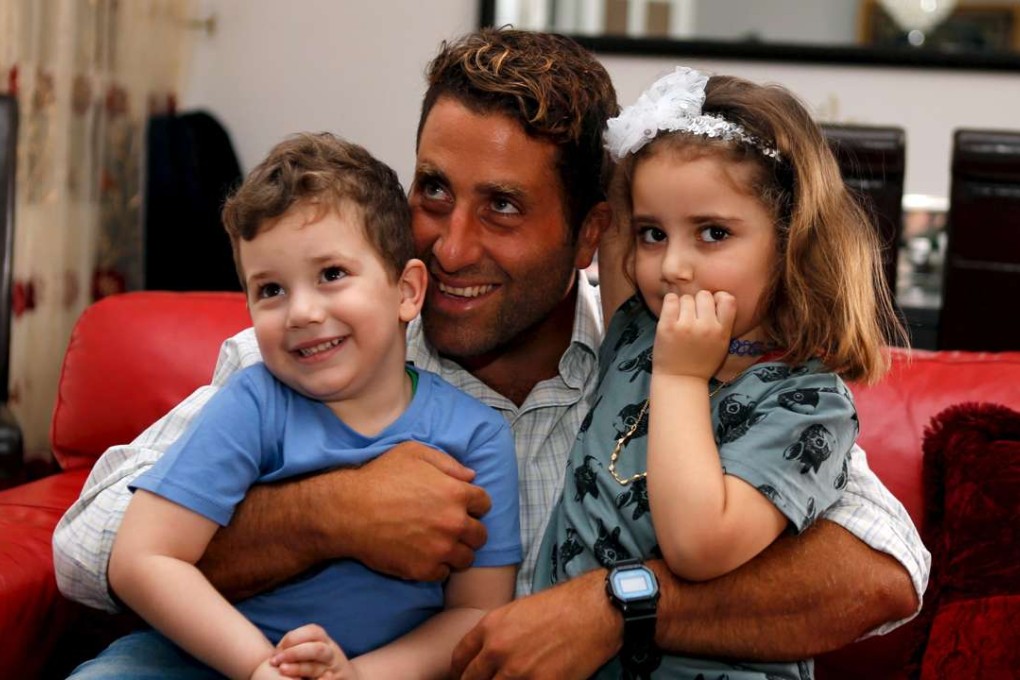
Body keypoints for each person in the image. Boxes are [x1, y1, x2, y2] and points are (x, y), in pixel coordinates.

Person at [54, 28, 930, 679]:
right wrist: (326, 514)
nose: (449, 244)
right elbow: (84, 551)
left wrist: (617, 605)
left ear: (591, 234)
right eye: (433, 190)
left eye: (504, 207)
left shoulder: (669, 361)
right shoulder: (321, 343)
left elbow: (883, 570)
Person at [79, 133, 521, 679]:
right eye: (270, 290)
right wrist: (259, 667)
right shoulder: (253, 402)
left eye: (332, 275)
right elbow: (142, 558)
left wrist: (357, 677)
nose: (302, 312)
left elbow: (476, 612)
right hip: (210, 659)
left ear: (406, 290)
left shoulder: (477, 434)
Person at [533, 66, 906, 679]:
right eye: (654, 233)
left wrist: (679, 378)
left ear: (790, 242)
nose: (674, 266)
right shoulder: (638, 325)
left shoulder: (808, 406)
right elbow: (621, 201)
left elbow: (698, 547)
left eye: (713, 233)